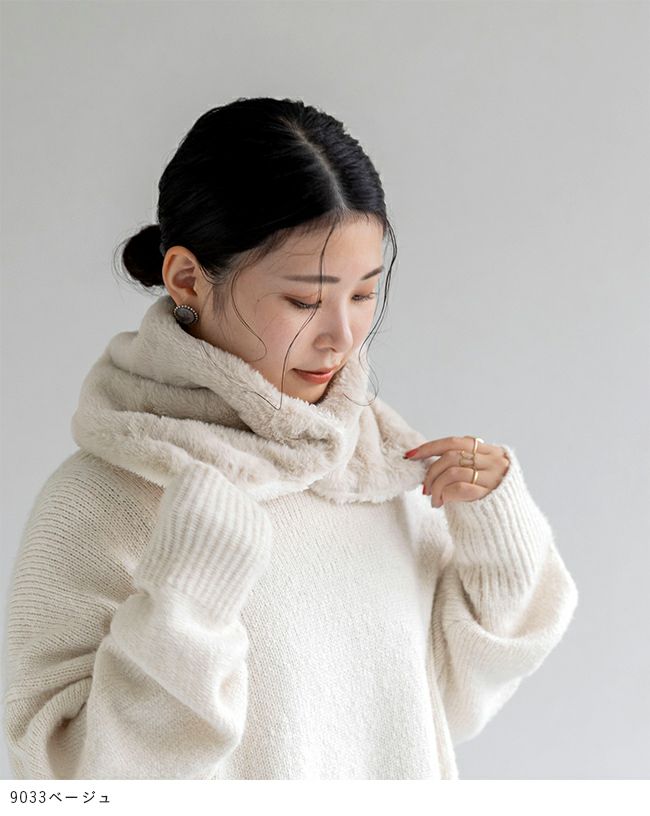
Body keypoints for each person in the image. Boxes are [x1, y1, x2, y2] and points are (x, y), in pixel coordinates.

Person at [3, 96, 578, 780]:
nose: (342, 336)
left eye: (363, 294)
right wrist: (186, 603)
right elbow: (62, 782)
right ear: (186, 279)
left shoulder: (376, 470)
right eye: (304, 300)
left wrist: (499, 542)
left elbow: (439, 710)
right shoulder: (99, 500)